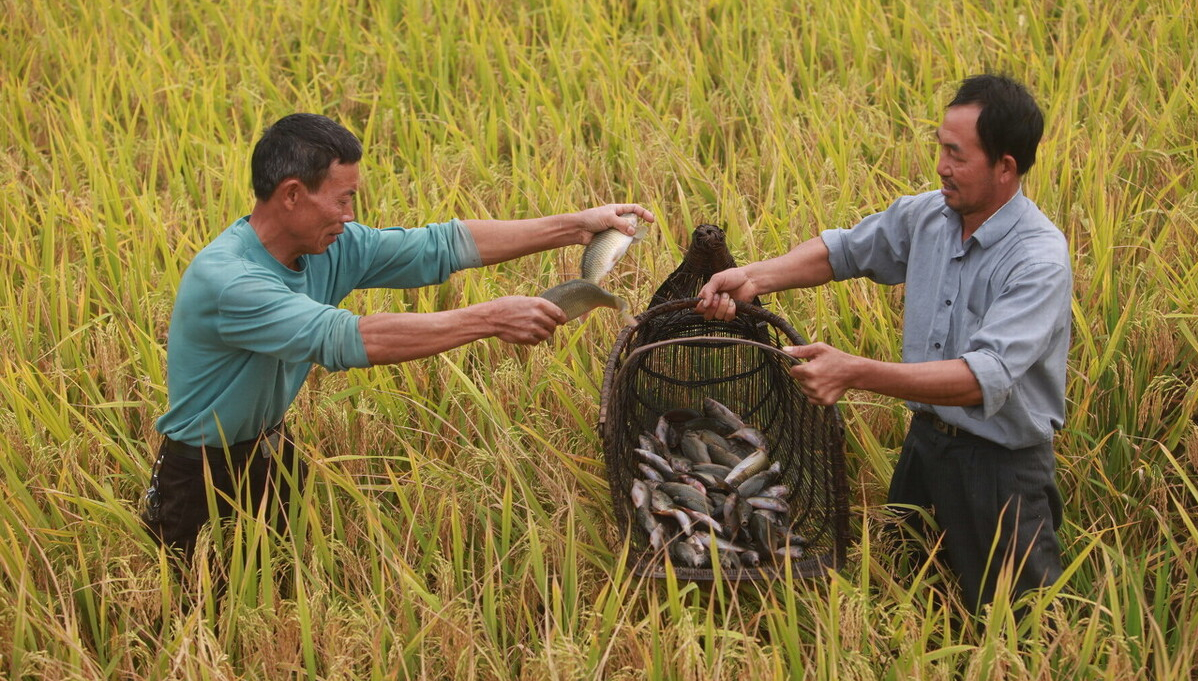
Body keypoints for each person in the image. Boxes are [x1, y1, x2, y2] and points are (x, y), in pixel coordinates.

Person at [141, 112, 653, 562]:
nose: (350, 216)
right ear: (293, 195)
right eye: (342, 200)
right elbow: (348, 338)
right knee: (192, 611)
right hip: (199, 474)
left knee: (281, 586)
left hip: (271, 454)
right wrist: (490, 319)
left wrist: (574, 226)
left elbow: (439, 246)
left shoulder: (328, 246)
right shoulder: (232, 282)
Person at [696, 74, 1070, 613]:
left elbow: (980, 376)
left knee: (1021, 630)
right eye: (940, 146)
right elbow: (843, 251)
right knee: (914, 604)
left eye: (956, 154)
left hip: (1000, 473)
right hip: (925, 449)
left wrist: (853, 371)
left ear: (1005, 167)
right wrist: (754, 277)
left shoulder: (1037, 259)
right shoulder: (930, 216)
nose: (941, 164)